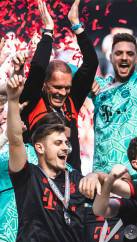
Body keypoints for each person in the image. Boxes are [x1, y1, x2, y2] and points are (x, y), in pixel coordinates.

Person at [7, 73, 90, 242]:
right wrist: (13, 100)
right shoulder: (28, 176)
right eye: (58, 143)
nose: (66, 147)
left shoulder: (75, 179)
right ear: (40, 148)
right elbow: (14, 140)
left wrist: (99, 178)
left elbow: (101, 197)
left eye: (66, 143)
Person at [19, 0, 97, 171]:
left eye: (67, 88)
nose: (62, 93)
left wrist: (77, 26)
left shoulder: (71, 101)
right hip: (39, 186)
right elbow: (39, 68)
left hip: (72, 183)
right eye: (57, 87)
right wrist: (48, 31)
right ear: (45, 85)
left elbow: (91, 63)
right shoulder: (31, 101)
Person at [92, 0, 137, 176]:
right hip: (102, 184)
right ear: (110, 56)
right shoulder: (99, 87)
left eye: (130, 54)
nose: (124, 58)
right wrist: (77, 27)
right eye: (119, 53)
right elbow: (69, 71)